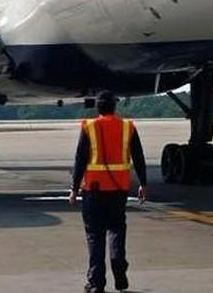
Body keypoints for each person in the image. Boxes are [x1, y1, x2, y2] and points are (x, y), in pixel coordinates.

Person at [71, 90, 148, 293]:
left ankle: (96, 283)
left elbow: (80, 160)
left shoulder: (89, 127)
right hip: (118, 190)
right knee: (116, 230)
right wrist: (143, 184)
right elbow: (139, 157)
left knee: (95, 236)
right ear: (115, 106)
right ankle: (119, 272)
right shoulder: (127, 127)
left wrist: (74, 188)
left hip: (94, 191)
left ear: (97, 106)